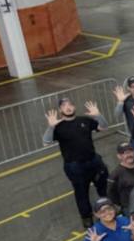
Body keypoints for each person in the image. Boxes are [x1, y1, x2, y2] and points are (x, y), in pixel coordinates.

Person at [43, 97, 110, 228]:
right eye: (64, 106)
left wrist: (98, 115)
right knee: (81, 191)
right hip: (75, 166)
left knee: (104, 185)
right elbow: (46, 142)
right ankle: (86, 216)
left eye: (70, 104)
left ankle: (108, 206)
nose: (68, 107)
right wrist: (50, 127)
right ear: (60, 109)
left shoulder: (84, 121)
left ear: (74, 107)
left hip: (93, 160)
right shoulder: (58, 127)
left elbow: (104, 127)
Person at [108, 142, 134, 216]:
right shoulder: (115, 175)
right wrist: (124, 205)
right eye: (124, 153)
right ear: (119, 156)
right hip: (132, 207)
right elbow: (112, 194)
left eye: (130, 151)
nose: (128, 155)